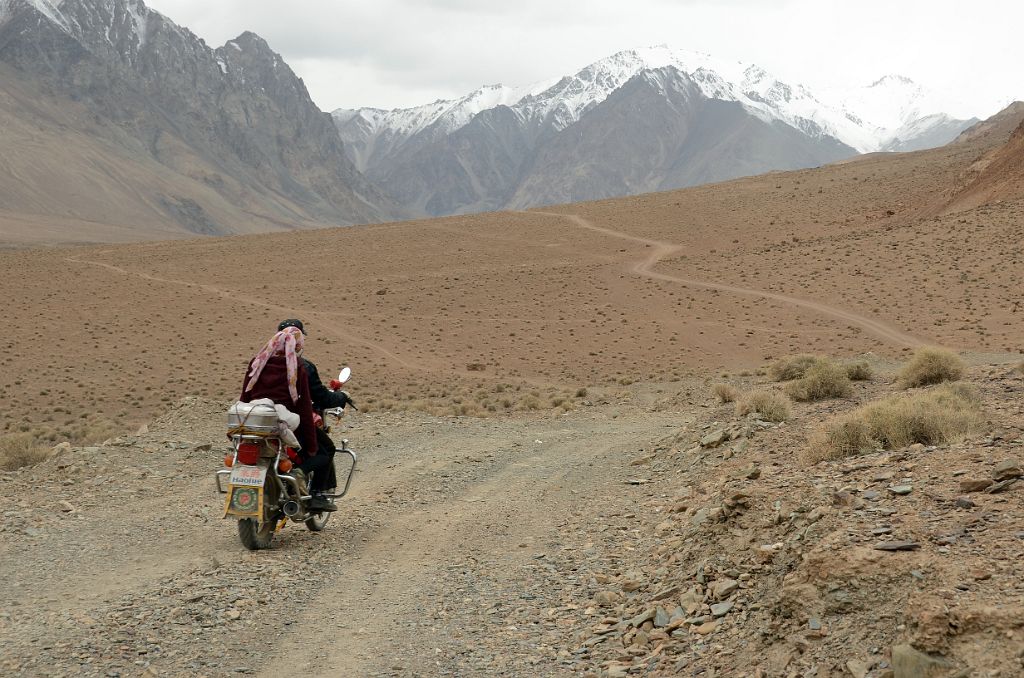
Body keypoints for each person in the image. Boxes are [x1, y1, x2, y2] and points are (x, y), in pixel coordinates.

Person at [240, 326, 336, 512]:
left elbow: (245, 395)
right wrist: (311, 445)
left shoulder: (257, 361)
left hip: (255, 421)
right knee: (326, 450)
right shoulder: (297, 366)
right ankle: (310, 486)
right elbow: (304, 406)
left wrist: (240, 425)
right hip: (286, 423)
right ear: (297, 344)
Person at [276, 319, 352, 493]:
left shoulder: (262, 362)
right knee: (326, 450)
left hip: (262, 418)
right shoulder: (303, 367)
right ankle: (315, 491)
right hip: (292, 421)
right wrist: (341, 397)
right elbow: (322, 397)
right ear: (298, 341)